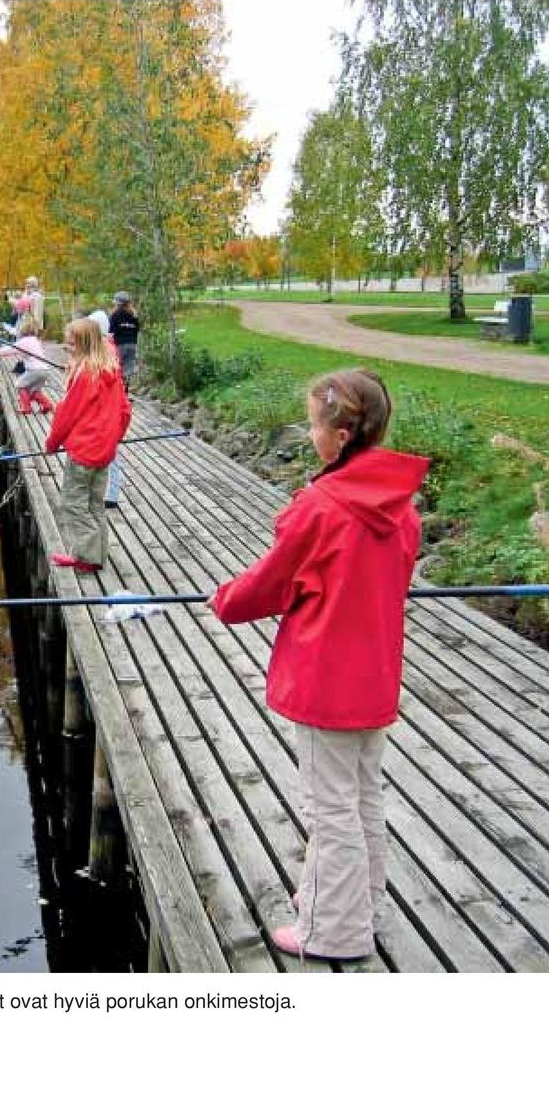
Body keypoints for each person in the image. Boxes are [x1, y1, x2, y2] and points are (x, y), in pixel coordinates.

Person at [208, 368, 429, 962]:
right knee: (363, 797)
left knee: (329, 810)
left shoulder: (320, 507)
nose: (310, 436)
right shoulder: (401, 510)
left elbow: (271, 583)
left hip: (326, 680)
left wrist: (225, 600)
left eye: (313, 426)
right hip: (375, 676)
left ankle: (333, 932)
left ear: (340, 435)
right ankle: (365, 908)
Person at [46, 316, 131, 573]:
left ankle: (86, 557)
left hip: (84, 450)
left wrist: (52, 443)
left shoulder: (85, 374)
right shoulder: (110, 369)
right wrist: (113, 437)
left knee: (72, 503)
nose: (67, 348)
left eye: (71, 344)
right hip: (104, 451)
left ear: (83, 344)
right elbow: (125, 411)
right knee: (94, 503)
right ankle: (97, 554)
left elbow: (67, 413)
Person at [87, 307, 122, 509]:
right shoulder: (106, 345)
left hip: (106, 412)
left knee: (112, 454)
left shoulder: (105, 348)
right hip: (109, 411)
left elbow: (103, 377)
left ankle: (112, 494)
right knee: (110, 453)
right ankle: (109, 493)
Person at [12, 314, 54, 414]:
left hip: (34, 370)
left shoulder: (24, 340)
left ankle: (26, 408)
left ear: (22, 330)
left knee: (20, 385)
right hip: (45, 370)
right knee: (34, 390)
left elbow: (9, 350)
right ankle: (47, 405)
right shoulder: (36, 340)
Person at [108, 291, 140, 389]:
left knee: (118, 369)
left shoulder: (115, 315)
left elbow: (111, 331)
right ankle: (125, 391)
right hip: (132, 345)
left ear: (117, 303)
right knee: (127, 369)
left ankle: (119, 393)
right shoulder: (134, 315)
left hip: (119, 345)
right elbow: (137, 330)